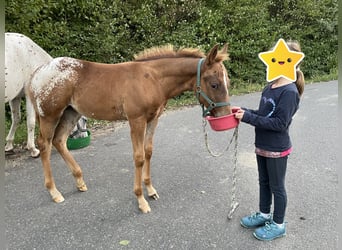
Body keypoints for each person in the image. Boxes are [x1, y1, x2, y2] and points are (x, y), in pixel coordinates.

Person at [234, 40, 305, 241]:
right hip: (262, 146)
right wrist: (245, 112)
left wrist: (248, 118)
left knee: (277, 187)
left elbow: (279, 123)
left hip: (277, 149)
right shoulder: (270, 87)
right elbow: (264, 114)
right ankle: (264, 214)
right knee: (263, 182)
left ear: (291, 62)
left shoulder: (289, 92)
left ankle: (278, 224)